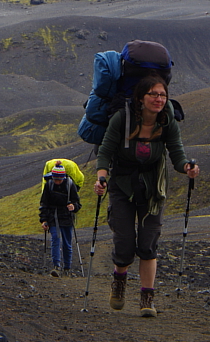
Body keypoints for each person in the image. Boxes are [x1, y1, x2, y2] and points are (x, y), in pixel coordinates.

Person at [94, 73, 200, 317]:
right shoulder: (122, 119)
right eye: (153, 94)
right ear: (141, 98)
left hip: (153, 189)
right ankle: (119, 280)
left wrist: (187, 168)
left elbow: (177, 155)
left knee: (148, 243)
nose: (159, 99)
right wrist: (101, 178)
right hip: (122, 186)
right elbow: (106, 152)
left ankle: (147, 298)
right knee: (124, 241)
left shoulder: (167, 123)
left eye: (163, 95)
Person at [39, 162, 81, 277]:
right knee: (55, 239)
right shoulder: (49, 185)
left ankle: (67, 268)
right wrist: (44, 220)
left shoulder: (70, 184)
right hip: (53, 216)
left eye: (59, 179)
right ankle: (56, 266)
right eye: (55, 179)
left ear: (63, 177)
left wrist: (74, 207)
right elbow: (44, 204)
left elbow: (77, 203)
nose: (57, 182)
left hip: (67, 216)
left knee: (67, 243)